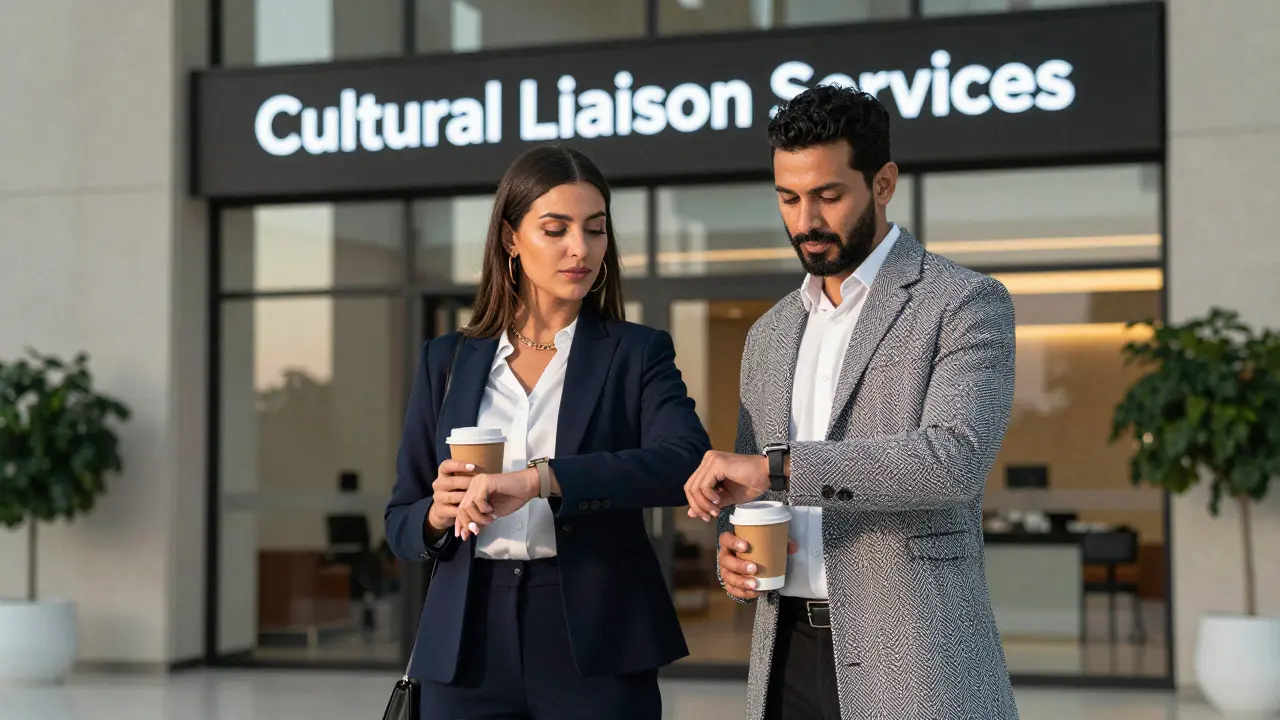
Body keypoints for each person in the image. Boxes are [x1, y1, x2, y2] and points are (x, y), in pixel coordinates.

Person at [683, 85, 1019, 720]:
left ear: (883, 183)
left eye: (828, 196)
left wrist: (776, 468)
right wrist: (735, 552)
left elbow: (951, 462)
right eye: (788, 198)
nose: (805, 220)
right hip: (784, 657)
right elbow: (757, 493)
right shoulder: (769, 333)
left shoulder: (963, 302)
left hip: (914, 663)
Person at [385, 144, 710, 720]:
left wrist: (543, 480)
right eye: (556, 230)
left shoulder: (636, 353)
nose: (580, 249)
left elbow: (685, 459)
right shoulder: (448, 361)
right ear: (511, 238)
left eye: (595, 229)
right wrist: (436, 514)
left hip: (597, 634)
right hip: (466, 640)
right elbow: (400, 522)